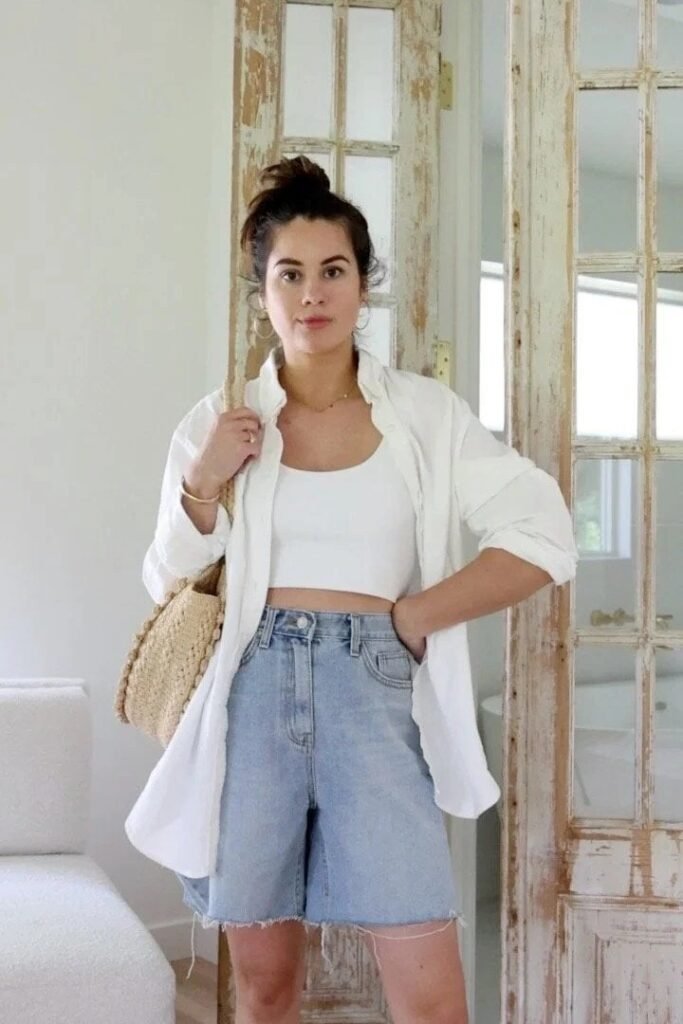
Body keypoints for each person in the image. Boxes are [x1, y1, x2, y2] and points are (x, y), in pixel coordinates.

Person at [124, 156, 578, 1023]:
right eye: (288, 274)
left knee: (432, 999)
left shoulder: (424, 415)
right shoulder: (217, 419)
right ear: (261, 292)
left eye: (333, 270)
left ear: (363, 285)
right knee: (264, 988)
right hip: (251, 692)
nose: (312, 294)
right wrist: (204, 483)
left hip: (373, 692)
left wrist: (415, 615)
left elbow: (543, 532)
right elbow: (166, 578)